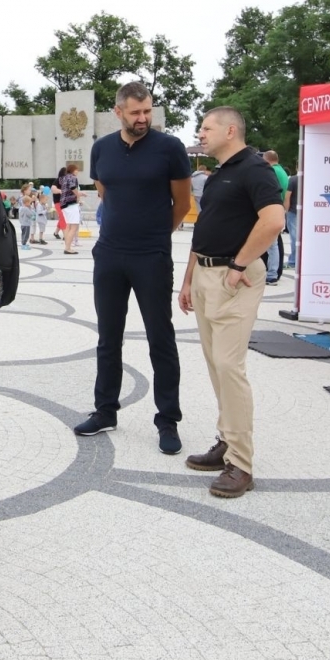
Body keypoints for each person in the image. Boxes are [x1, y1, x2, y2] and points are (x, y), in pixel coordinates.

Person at [73, 82, 192, 453]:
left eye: (147, 111)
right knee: (108, 338)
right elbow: (106, 192)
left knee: (161, 338)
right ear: (118, 111)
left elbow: (181, 202)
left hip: (151, 255)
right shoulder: (101, 149)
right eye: (136, 112)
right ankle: (105, 410)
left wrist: (155, 236)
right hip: (109, 254)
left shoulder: (169, 148)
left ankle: (167, 419)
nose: (143, 118)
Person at [178, 107, 285, 499]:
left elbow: (273, 220)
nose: (201, 134)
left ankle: (241, 463)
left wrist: (239, 264)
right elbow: (205, 227)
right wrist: (189, 278)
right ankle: (227, 440)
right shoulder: (221, 171)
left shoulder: (254, 168)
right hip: (208, 274)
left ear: (230, 129)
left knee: (229, 366)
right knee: (216, 366)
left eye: (206, 128)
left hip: (233, 278)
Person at [262, 151, 289, 284]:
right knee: (274, 244)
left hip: (272, 209)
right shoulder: (282, 171)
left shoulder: (271, 171)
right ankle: (273, 271)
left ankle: (271, 273)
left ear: (267, 160)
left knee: (271, 245)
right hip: (280, 208)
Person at [57, 162, 83, 254]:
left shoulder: (63, 178)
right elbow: (72, 187)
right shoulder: (72, 177)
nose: (77, 172)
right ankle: (68, 248)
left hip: (63, 204)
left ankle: (67, 247)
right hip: (71, 204)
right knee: (74, 227)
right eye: (77, 170)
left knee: (68, 226)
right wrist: (79, 194)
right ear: (73, 170)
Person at [284, 171, 301, 268]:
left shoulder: (293, 179)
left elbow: (287, 197)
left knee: (294, 237)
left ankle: (293, 261)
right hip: (305, 213)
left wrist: (286, 211)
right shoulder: (309, 180)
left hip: (293, 211)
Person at [16, 182, 38, 250]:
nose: (30, 191)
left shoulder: (27, 197)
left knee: (27, 232)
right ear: (25, 190)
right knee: (25, 233)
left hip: (27, 219)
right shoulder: (22, 198)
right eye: (29, 190)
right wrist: (32, 200)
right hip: (24, 219)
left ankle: (25, 243)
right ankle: (23, 244)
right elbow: (25, 203)